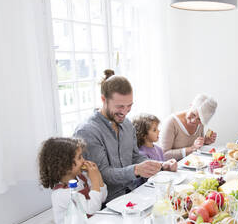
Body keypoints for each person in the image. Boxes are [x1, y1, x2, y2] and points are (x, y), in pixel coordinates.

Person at [74, 72, 177, 202]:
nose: (125, 111)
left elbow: (135, 156)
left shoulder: (127, 124)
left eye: (129, 106)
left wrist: (162, 165)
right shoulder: (88, 132)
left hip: (135, 192)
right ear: (103, 100)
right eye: (120, 106)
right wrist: (136, 170)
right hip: (108, 202)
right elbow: (103, 174)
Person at [38, 137, 107, 224]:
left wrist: (97, 176)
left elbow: (102, 198)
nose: (83, 160)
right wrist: (95, 180)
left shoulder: (81, 178)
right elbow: (92, 208)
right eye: (79, 157)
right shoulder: (61, 194)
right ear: (65, 166)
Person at [160, 94, 218, 161]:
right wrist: (192, 148)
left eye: (199, 119)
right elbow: (163, 155)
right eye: (193, 114)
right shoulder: (171, 122)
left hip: (192, 165)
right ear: (190, 105)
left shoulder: (201, 123)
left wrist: (205, 142)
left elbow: (197, 150)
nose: (194, 121)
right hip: (172, 168)